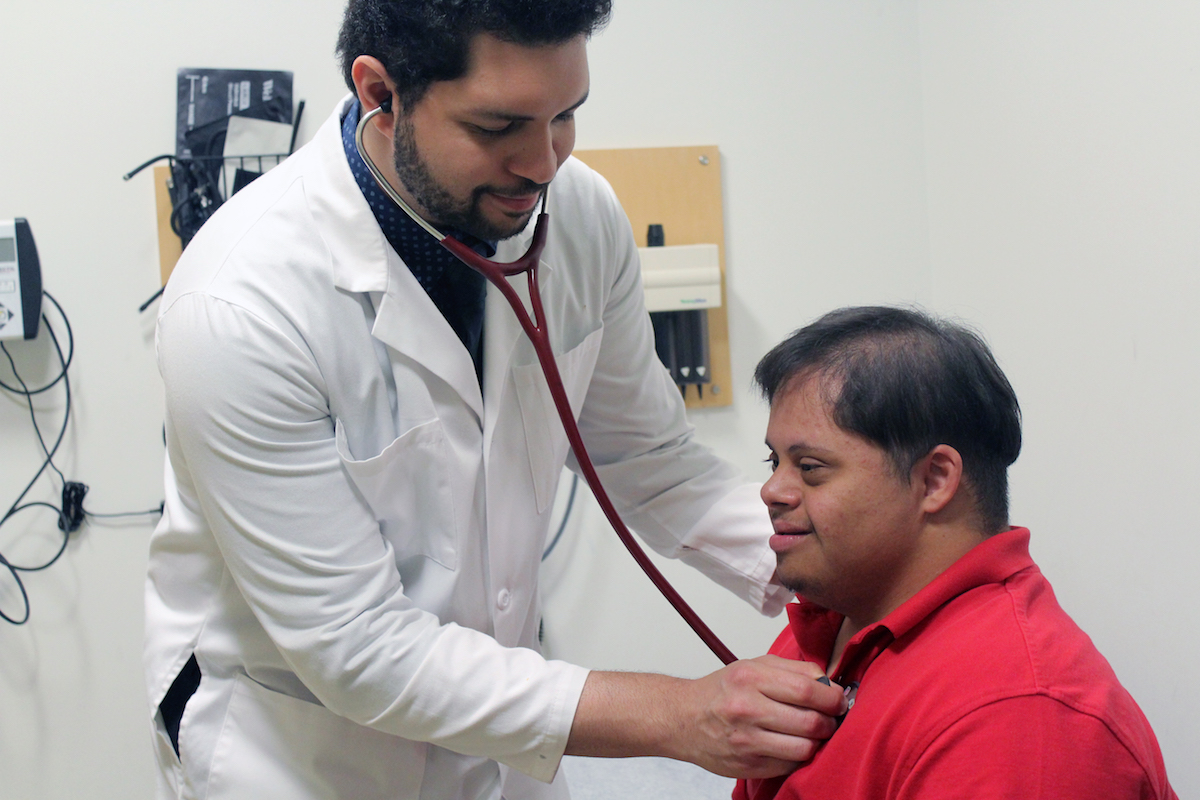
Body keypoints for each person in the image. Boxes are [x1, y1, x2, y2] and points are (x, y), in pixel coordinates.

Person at [143, 2, 846, 799]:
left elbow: (650, 463)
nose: (543, 163)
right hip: (306, 752)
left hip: (497, 743)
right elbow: (357, 648)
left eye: (565, 116)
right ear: (380, 93)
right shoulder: (241, 305)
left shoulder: (577, 217)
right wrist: (679, 715)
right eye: (498, 126)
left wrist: (848, 561)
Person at [736, 306, 1177, 800]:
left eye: (811, 467)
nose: (771, 490)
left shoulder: (1017, 716)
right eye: (774, 461)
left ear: (935, 480)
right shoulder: (836, 622)